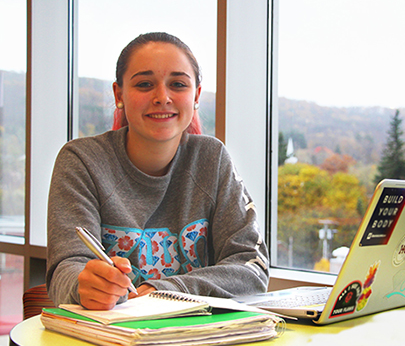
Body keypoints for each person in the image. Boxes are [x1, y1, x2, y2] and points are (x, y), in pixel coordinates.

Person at [46, 32, 269, 310]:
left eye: (177, 84)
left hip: (200, 341)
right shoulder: (82, 161)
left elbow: (251, 266)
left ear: (196, 95)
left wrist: (163, 290)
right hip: (109, 343)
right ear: (119, 95)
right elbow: (65, 269)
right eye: (144, 84)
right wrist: (84, 284)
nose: (162, 97)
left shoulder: (211, 158)